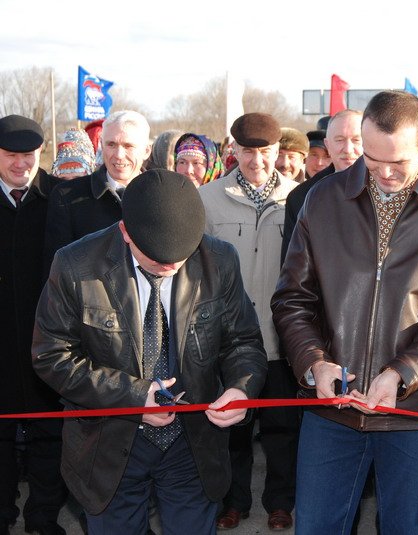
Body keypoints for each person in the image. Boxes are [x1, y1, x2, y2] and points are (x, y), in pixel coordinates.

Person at [272, 90, 418, 535]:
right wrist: (313, 363)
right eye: (371, 160)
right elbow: (293, 297)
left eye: (399, 163)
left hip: (414, 409)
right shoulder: (323, 198)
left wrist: (402, 373)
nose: (384, 174)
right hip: (332, 408)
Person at [32, 169, 268, 535]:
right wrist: (135, 396)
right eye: (157, 258)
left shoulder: (219, 259)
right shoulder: (76, 265)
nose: (171, 266)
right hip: (108, 445)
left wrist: (240, 388)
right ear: (126, 233)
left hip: (193, 443)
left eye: (182, 255)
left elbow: (243, 341)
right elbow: (51, 356)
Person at [199, 112, 299, 531]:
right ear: (233, 150)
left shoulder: (298, 198)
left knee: (282, 429)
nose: (257, 160)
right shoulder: (207, 199)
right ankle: (232, 500)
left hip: (282, 337)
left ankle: (280, 502)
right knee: (232, 428)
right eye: (248, 151)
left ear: (278, 151)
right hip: (230, 338)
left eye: (266, 151)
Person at [0, 115, 67, 535]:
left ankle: (43, 517)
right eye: (11, 155)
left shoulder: (60, 198)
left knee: (51, 432)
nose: (22, 164)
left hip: (50, 339)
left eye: (29, 155)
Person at [43, 110, 151, 271]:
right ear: (101, 145)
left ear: (146, 151)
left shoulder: (165, 195)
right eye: (111, 144)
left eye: (128, 146)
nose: (119, 155)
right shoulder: (67, 196)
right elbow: (57, 270)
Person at [281, 110, 363, 263]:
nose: (348, 149)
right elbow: (293, 272)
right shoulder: (302, 197)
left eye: (356, 140)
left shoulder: (390, 188)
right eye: (339, 140)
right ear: (328, 144)